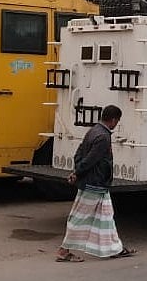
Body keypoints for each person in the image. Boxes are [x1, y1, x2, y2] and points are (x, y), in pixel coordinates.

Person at [56, 104, 136, 262]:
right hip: (95, 184)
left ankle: (115, 248)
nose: (116, 124)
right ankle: (63, 251)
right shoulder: (103, 137)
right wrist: (77, 173)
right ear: (113, 120)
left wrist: (77, 171)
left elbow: (79, 153)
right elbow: (91, 160)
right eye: (117, 121)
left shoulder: (92, 131)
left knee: (106, 218)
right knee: (80, 217)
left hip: (95, 184)